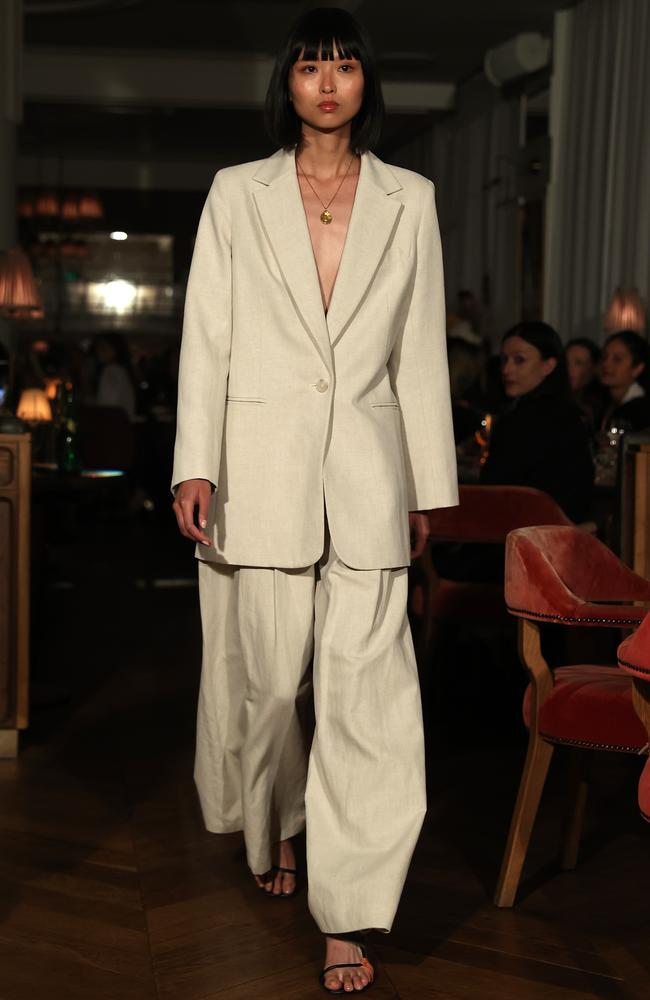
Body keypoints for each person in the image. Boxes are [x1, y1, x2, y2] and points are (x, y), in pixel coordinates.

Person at [171, 7, 457, 994]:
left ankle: (348, 912)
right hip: (258, 464)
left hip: (370, 476)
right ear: (285, 84)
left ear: (365, 81)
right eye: (309, 66)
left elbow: (417, 350)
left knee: (367, 699)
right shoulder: (236, 193)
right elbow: (206, 334)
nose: (327, 81)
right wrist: (191, 463)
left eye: (343, 65)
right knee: (269, 685)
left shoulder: (408, 198)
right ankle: (274, 824)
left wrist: (425, 485)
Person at [481, 321, 593, 523]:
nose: (506, 369)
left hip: (519, 539)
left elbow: (491, 493)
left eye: (519, 360)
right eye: (504, 360)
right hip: (553, 538)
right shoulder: (571, 415)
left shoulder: (522, 422)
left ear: (548, 365)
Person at [599, 330, 650, 432]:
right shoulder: (603, 403)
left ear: (637, 368)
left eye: (617, 359)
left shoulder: (642, 411)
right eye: (604, 357)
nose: (606, 365)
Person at [565, 336, 607, 429]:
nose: (569, 369)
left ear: (594, 367)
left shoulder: (602, 403)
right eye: (566, 362)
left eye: (578, 363)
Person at [94, 333, 136, 420]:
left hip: (113, 425)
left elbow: (107, 405)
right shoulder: (121, 370)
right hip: (122, 425)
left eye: (103, 347)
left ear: (115, 350)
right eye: (98, 347)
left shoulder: (110, 370)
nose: (98, 350)